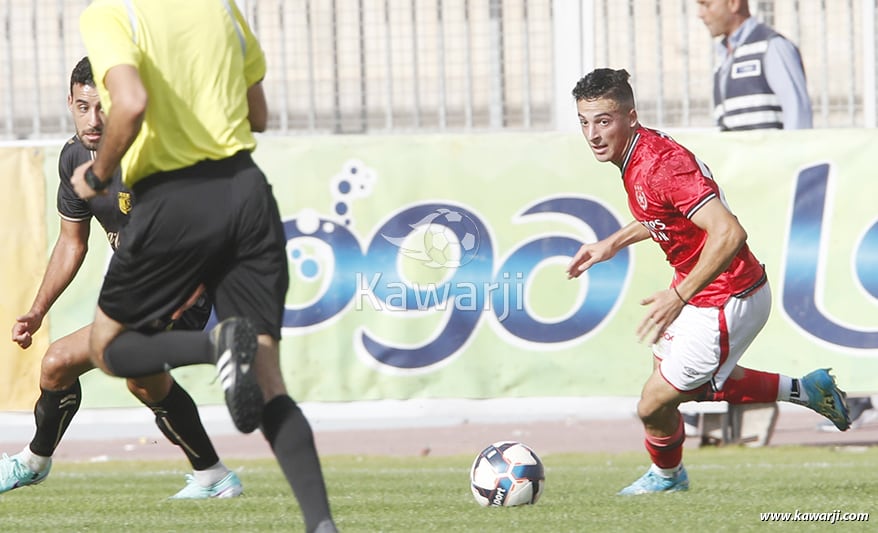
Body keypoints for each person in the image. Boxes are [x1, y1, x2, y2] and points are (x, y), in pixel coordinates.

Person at [72, 2, 336, 532]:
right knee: (269, 381)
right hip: (247, 191)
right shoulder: (222, 8)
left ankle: (215, 346)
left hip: (174, 198)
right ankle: (322, 525)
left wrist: (98, 175)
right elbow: (257, 116)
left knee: (108, 348)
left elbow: (131, 103)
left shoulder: (112, 13)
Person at [567, 68, 849, 495]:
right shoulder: (638, 156)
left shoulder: (661, 166)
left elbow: (729, 233)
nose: (593, 134)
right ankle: (806, 390)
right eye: (585, 122)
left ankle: (669, 478)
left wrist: (679, 295)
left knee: (654, 402)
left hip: (727, 296)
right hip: (700, 290)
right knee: (672, 388)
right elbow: (661, 213)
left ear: (631, 116)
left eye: (603, 121)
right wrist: (612, 242)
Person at [3, 57, 241, 500]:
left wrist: (186, 294)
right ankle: (213, 476)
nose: (93, 120)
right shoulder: (74, 157)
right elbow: (71, 243)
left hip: (182, 292)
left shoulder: (153, 157)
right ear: (70, 104)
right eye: (83, 107)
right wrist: (37, 310)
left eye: (103, 108)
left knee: (84, 365)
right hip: (138, 293)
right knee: (98, 372)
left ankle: (34, 463)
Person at [697, 0, 812, 130]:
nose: (700, 14)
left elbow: (797, 114)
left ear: (733, 3)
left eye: (706, 5)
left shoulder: (772, 47)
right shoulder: (723, 58)